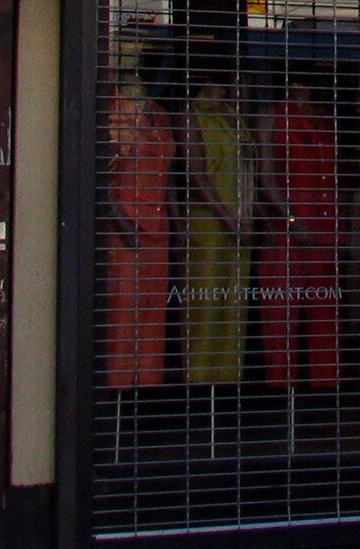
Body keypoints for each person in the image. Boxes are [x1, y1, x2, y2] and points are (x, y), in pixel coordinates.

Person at [259, 72, 341, 391]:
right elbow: (265, 176)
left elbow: (338, 174)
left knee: (324, 312)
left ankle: (326, 391)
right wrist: (291, 219)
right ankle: (281, 392)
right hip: (288, 228)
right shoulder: (272, 117)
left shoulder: (324, 119)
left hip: (326, 227)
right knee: (281, 315)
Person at [103, 52, 174, 390]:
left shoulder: (157, 114)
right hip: (126, 224)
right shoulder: (113, 115)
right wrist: (121, 222)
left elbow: (170, 171)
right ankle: (117, 390)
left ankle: (143, 390)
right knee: (124, 311)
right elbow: (99, 179)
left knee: (152, 310)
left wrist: (175, 217)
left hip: (158, 226)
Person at [183, 72, 255, 385]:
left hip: (241, 219)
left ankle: (227, 382)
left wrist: (246, 215)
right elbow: (196, 175)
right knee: (206, 302)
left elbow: (249, 164)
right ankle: (198, 384)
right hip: (210, 221)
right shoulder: (191, 116)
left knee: (234, 304)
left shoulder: (232, 116)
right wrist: (228, 218)